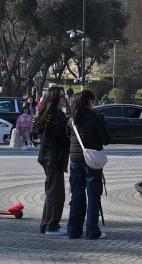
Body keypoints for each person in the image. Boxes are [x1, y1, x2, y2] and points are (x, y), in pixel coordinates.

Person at [67, 89, 111, 239]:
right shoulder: (96, 117)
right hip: (91, 160)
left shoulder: (71, 120)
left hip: (74, 161)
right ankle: (92, 231)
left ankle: (73, 230)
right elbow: (105, 139)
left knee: (77, 195)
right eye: (93, 101)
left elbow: (69, 137)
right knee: (93, 196)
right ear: (89, 102)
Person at [34, 86, 70, 235]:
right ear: (55, 98)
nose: (64, 99)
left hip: (49, 157)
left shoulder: (51, 114)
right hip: (53, 158)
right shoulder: (55, 116)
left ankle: (46, 224)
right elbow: (64, 137)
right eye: (62, 96)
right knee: (56, 194)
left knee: (52, 192)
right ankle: (52, 226)